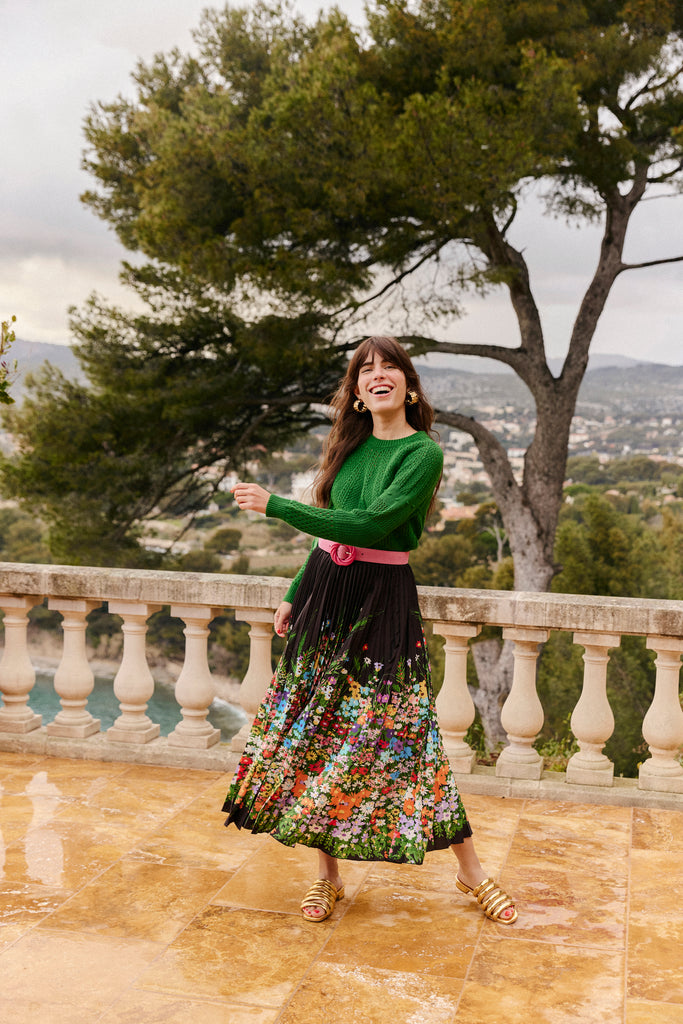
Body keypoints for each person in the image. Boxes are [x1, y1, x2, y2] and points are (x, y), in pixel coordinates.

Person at [223, 335, 517, 925]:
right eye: (365, 369)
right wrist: (294, 592)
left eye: (389, 366)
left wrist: (276, 505)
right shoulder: (348, 447)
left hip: (382, 598)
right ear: (356, 390)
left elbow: (369, 525)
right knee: (319, 730)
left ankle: (471, 870)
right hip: (326, 594)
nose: (377, 374)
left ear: (409, 384)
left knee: (408, 733)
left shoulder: (421, 453)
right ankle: (327, 876)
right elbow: (330, 532)